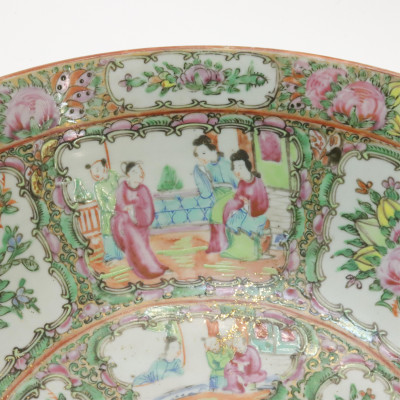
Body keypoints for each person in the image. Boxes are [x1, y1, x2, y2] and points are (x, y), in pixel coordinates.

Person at [111, 162, 168, 279]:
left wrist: (135, 209)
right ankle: (151, 269)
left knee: (143, 248)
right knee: (136, 244)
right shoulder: (123, 187)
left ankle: (152, 267)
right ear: (128, 174)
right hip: (127, 223)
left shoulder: (143, 189)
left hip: (141, 222)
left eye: (139, 171)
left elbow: (148, 207)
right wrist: (129, 209)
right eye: (134, 172)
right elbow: (120, 204)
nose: (139, 174)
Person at [222, 150, 270, 260]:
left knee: (248, 226)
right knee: (231, 222)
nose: (237, 171)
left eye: (240, 167)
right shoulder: (242, 183)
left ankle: (252, 252)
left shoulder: (257, 182)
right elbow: (237, 199)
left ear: (247, 166)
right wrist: (235, 207)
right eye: (235, 167)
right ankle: (236, 249)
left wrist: (250, 204)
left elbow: (263, 203)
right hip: (243, 211)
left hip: (255, 213)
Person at [192, 135, 237, 253]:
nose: (202, 157)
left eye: (204, 153)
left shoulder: (227, 164)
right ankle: (218, 245)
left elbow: (237, 183)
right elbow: (205, 192)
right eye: (199, 155)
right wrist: (201, 171)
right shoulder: (203, 168)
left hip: (231, 194)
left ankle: (223, 244)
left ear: (213, 150)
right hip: (217, 196)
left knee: (217, 213)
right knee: (214, 214)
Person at [85, 159, 123, 263]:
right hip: (107, 215)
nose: (95, 174)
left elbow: (121, 184)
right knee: (108, 234)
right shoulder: (98, 186)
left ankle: (123, 253)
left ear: (105, 168)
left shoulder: (113, 175)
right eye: (93, 172)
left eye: (97, 170)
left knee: (121, 231)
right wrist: (111, 209)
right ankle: (112, 256)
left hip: (120, 211)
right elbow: (101, 202)